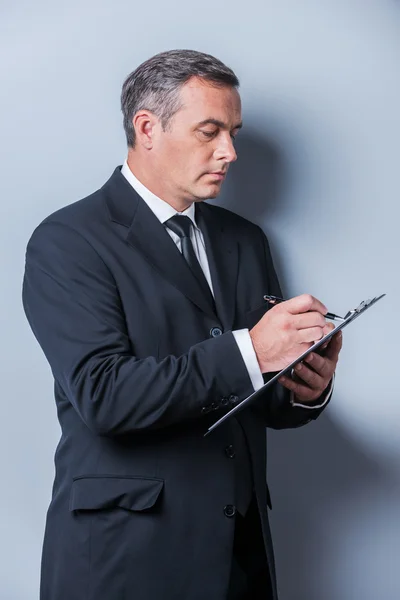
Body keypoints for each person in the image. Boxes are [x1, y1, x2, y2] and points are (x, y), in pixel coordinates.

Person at [22, 49, 342, 600]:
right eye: (209, 131)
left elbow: (253, 395)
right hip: (126, 555)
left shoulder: (244, 240)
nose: (230, 152)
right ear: (147, 128)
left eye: (234, 132)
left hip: (239, 552)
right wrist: (253, 351)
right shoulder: (67, 240)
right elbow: (105, 396)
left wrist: (303, 389)